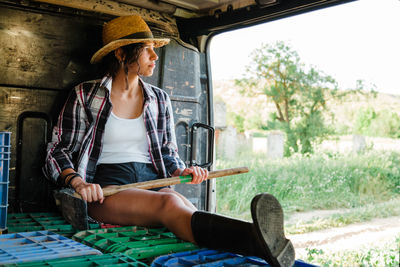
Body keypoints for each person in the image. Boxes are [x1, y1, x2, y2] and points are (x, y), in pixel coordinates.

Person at [43, 15, 295, 267]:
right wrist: (78, 183)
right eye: (147, 50)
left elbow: (167, 151)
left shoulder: (158, 98)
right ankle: (258, 243)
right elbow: (58, 150)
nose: (155, 56)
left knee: (186, 207)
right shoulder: (86, 94)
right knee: (170, 202)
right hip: (106, 189)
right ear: (121, 54)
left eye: (155, 50)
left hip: (152, 181)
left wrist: (181, 169)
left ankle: (261, 243)